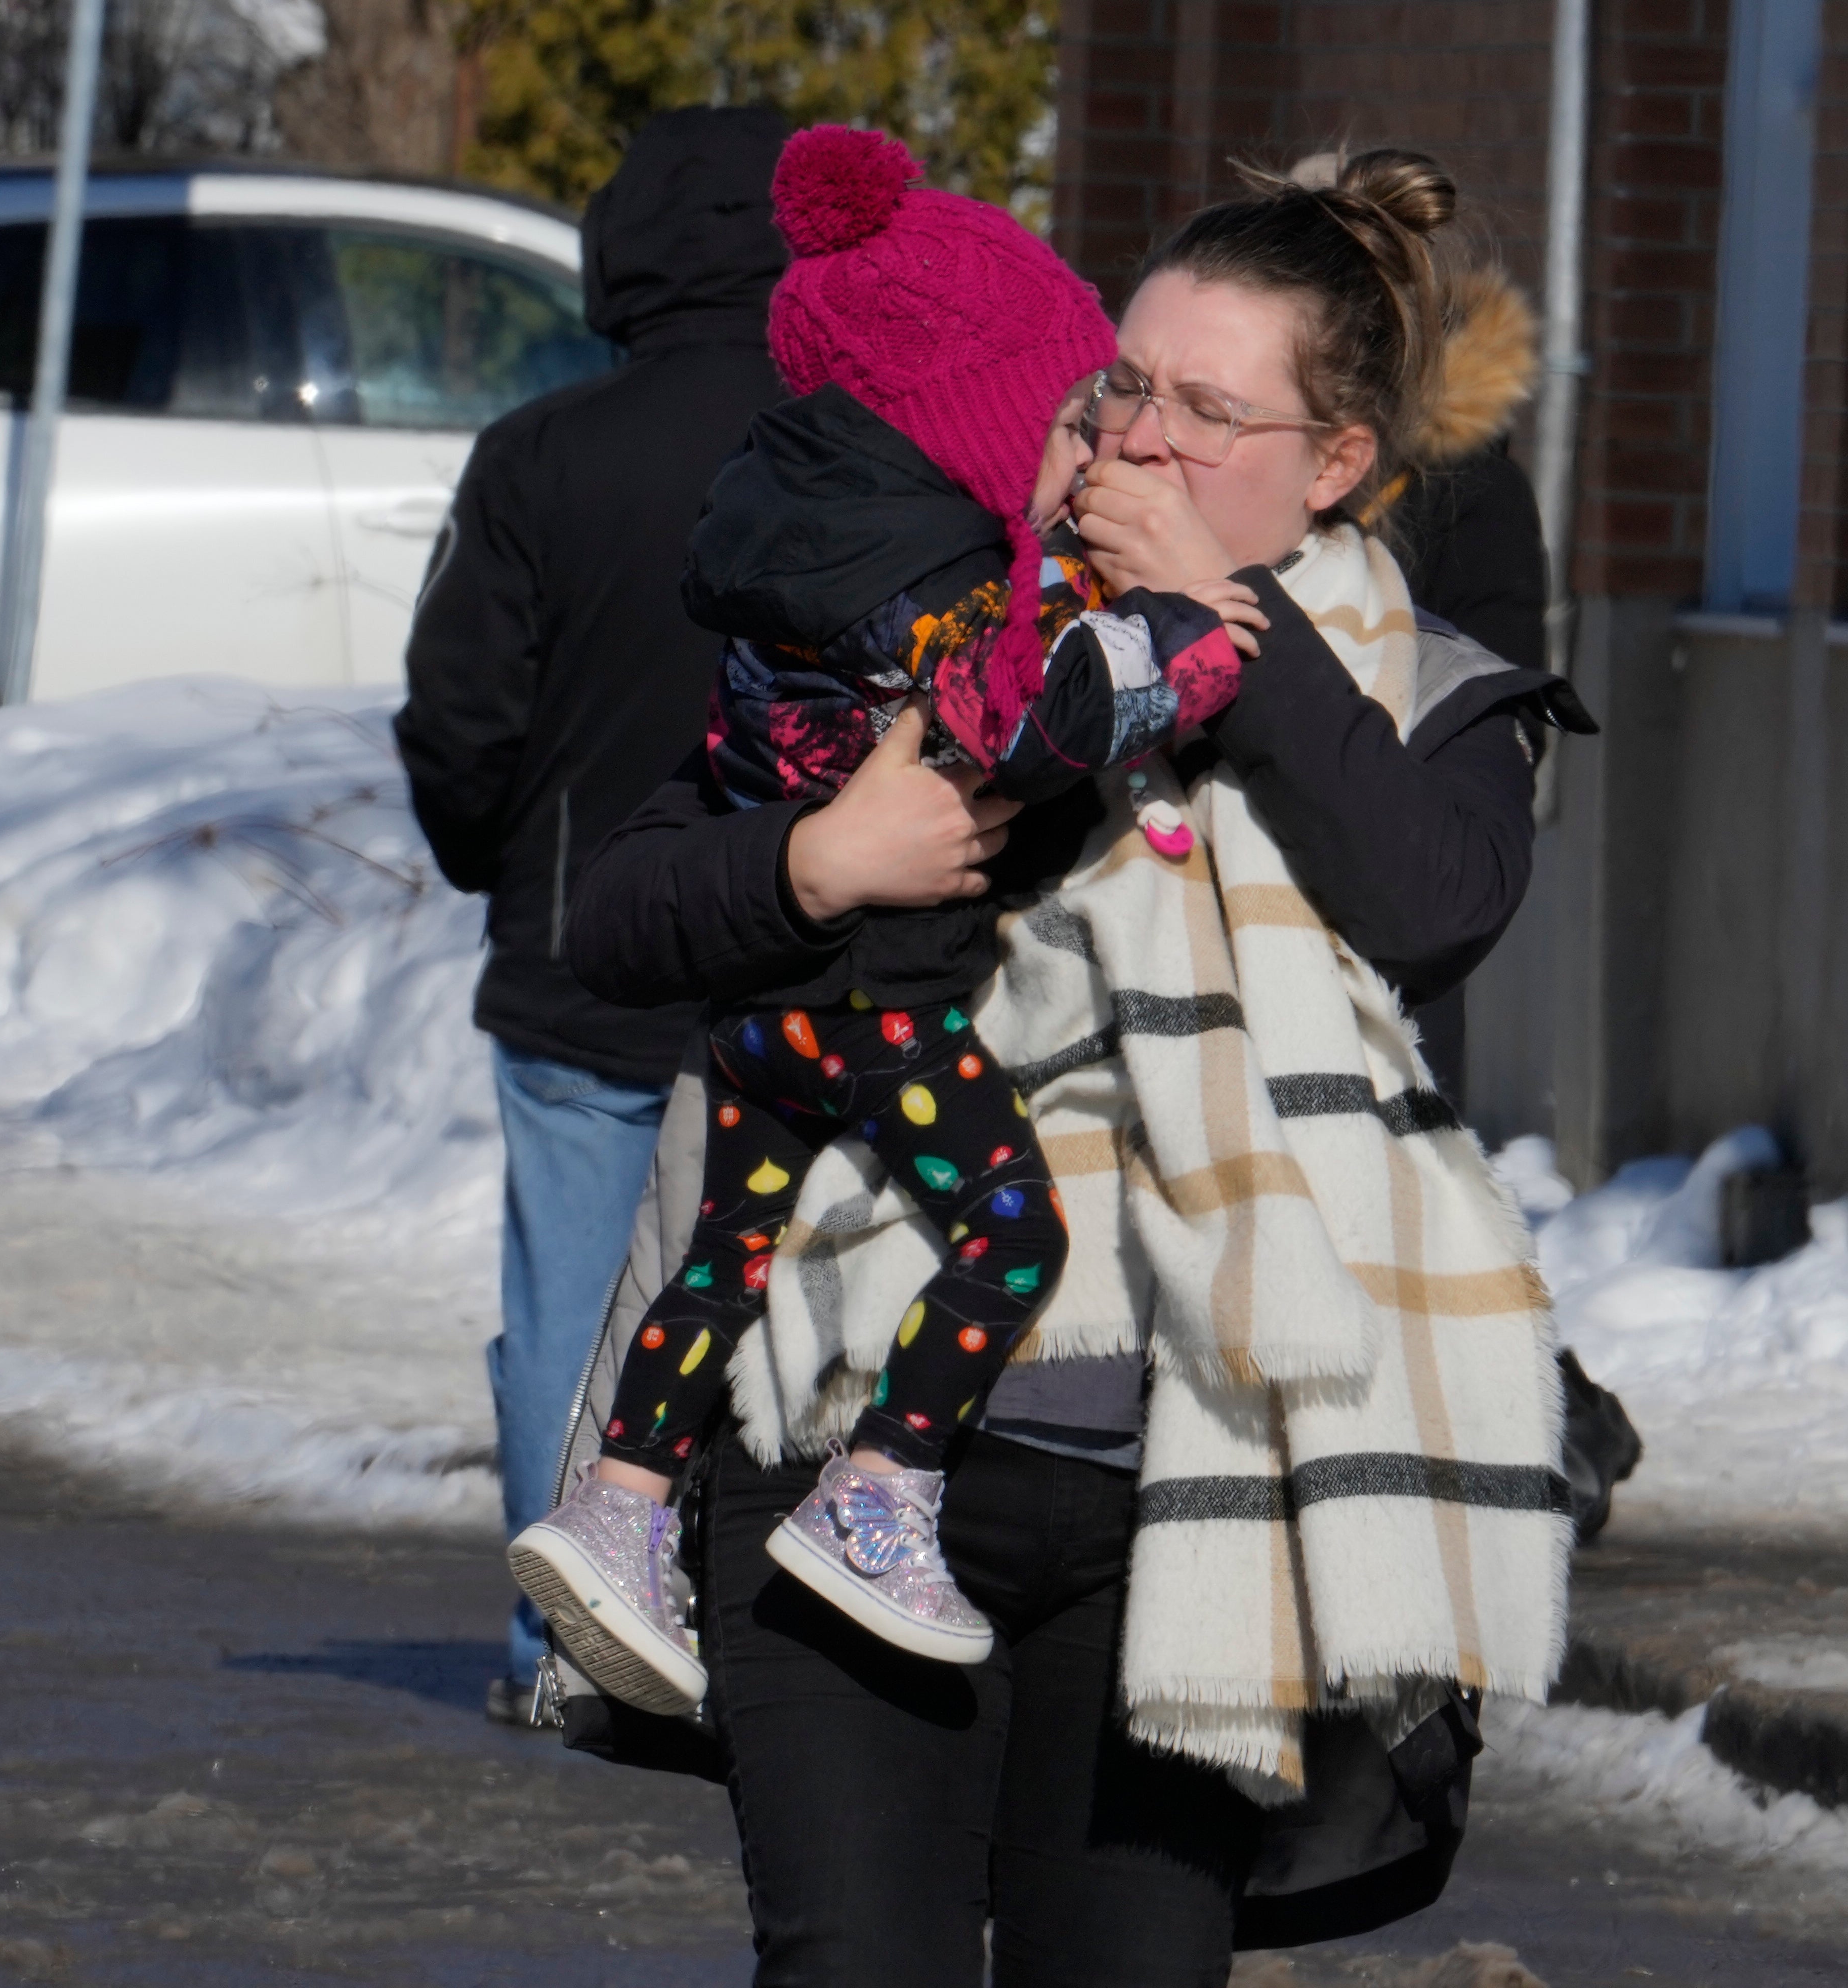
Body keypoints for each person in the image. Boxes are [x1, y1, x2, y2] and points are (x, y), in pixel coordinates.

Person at [568, 147, 1591, 1986]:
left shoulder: (1423, 690)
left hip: (1186, 1512)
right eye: (1126, 384)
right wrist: (817, 862)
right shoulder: (943, 602)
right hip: (835, 1450)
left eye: (1212, 411)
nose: (1141, 441)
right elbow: (625, 910)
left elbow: (1432, 904)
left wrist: (1224, 635)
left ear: (1334, 464)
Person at [504, 126, 1259, 1713]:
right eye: (1069, 418)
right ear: (975, 429)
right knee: (1009, 1233)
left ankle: (622, 1500)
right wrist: (1186, 646)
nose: (1099, 450)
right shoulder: (948, 600)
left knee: (727, 1246)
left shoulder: (792, 561)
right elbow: (1033, 723)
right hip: (881, 1016)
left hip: (765, 1024)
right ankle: (883, 1490)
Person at [392, 105, 788, 1726]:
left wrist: (496, 859)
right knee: (776, 1304)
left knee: (574, 1323)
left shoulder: (541, 458)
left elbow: (459, 718)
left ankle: (573, 1649)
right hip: (794, 957)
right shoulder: (853, 447)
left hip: (580, 969)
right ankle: (772, 1643)